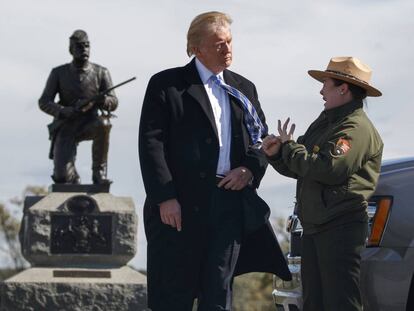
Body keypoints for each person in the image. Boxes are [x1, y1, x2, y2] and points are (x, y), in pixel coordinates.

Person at [139, 11, 291, 311]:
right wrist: (165, 197)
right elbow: (150, 144)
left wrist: (250, 168)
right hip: (178, 206)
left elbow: (260, 140)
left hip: (228, 205)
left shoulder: (244, 89)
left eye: (229, 41)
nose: (227, 48)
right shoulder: (166, 85)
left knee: (219, 292)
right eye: (218, 43)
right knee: (173, 295)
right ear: (197, 48)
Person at [262, 56, 383, 311]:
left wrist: (290, 147)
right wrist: (277, 153)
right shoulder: (327, 122)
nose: (320, 90)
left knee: (341, 303)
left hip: (340, 228)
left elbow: (329, 169)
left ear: (343, 88)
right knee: (315, 303)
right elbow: (304, 168)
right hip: (318, 227)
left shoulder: (355, 128)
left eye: (325, 83)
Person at [39, 30, 118, 185]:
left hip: (90, 122)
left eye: (87, 46)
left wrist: (103, 100)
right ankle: (73, 177)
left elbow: (114, 102)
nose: (84, 50)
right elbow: (44, 101)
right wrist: (62, 111)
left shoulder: (101, 72)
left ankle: (99, 174)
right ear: (71, 49)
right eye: (80, 47)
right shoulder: (58, 73)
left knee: (104, 124)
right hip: (66, 125)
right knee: (62, 179)